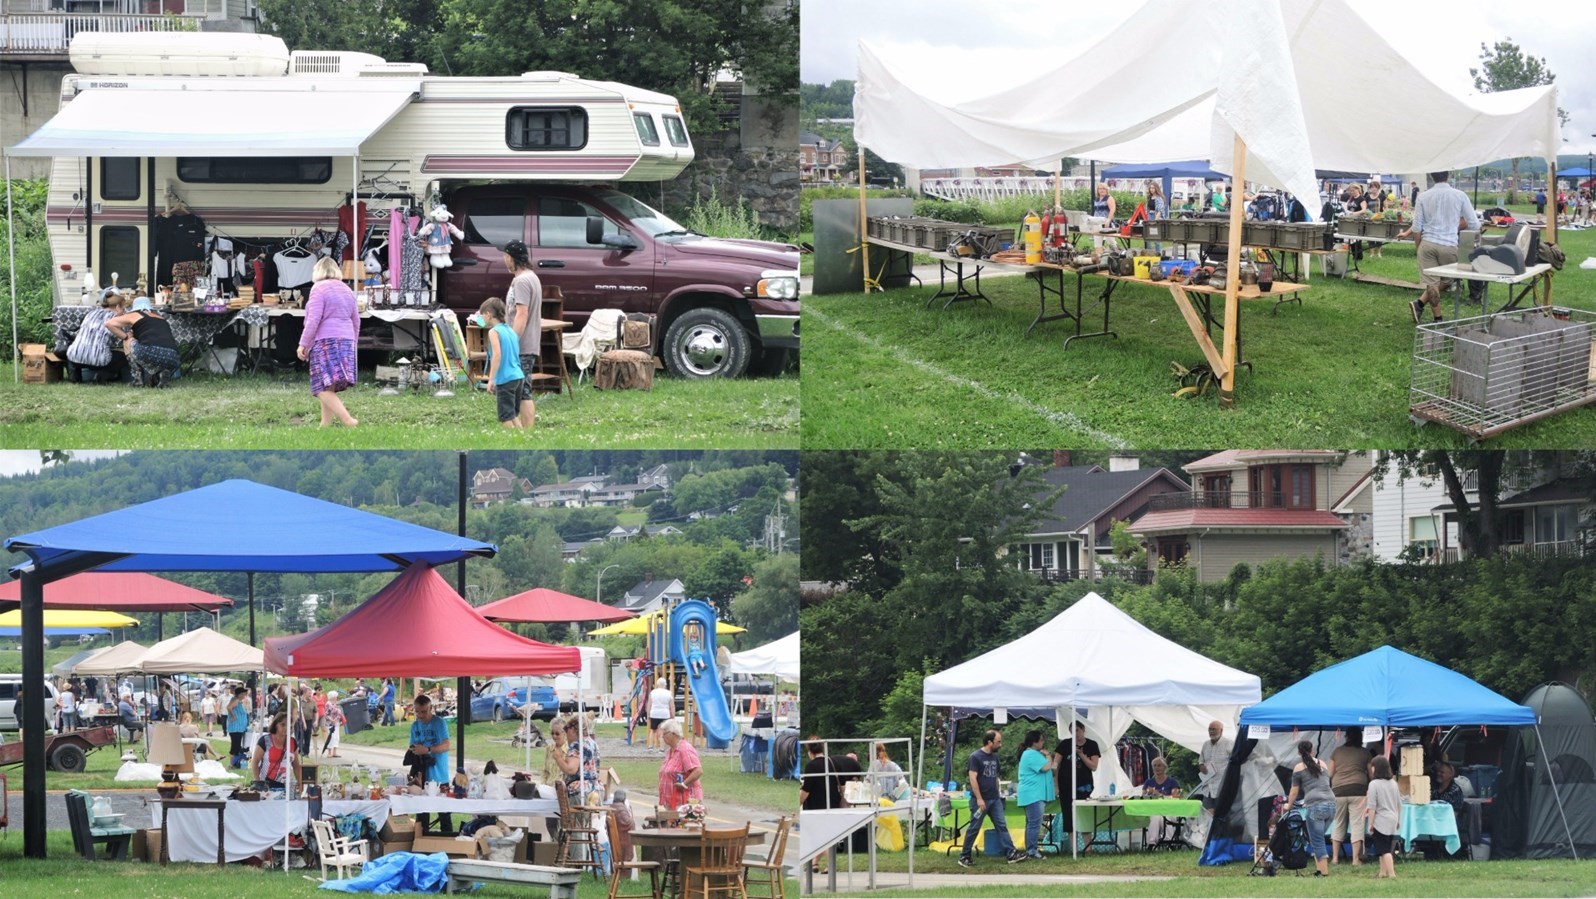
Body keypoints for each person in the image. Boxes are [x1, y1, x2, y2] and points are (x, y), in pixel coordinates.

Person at [1397, 170, 1481, 324]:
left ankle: (1424, 307)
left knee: (1433, 283)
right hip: (1449, 244)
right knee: (1447, 281)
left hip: (1427, 243)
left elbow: (1416, 228)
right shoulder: (1460, 195)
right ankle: (1435, 317)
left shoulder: (1423, 196)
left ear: (1431, 177)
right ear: (1448, 176)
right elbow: (1475, 224)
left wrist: (1418, 246)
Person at [296, 256, 359, 427]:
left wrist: (303, 343)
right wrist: (353, 342)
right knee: (328, 386)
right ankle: (325, 425)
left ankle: (349, 420)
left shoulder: (318, 289)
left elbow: (313, 320)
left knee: (319, 387)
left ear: (318, 271)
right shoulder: (347, 289)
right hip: (346, 340)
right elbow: (356, 320)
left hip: (326, 341)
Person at [958, 729, 1025, 867]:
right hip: (981, 800)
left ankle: (1011, 853)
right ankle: (964, 855)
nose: (1000, 744)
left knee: (1001, 825)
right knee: (974, 827)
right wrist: (979, 798)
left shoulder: (994, 757)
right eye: (998, 742)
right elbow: (973, 778)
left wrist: (998, 792)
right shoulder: (976, 757)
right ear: (989, 742)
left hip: (994, 799)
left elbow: (995, 776)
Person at [477, 297, 535, 430]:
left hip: (505, 378)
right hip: (518, 377)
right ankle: (523, 439)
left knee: (505, 417)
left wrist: (491, 379)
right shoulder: (510, 331)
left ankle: (512, 442)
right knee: (513, 414)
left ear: (488, 314)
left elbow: (497, 355)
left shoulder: (494, 331)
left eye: (482, 316)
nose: (482, 319)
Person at [1284, 740, 1335, 877]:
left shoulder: (1298, 768)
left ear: (1299, 752)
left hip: (1316, 806)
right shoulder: (1322, 764)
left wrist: (1288, 806)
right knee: (1317, 838)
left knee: (1317, 840)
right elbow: (1324, 784)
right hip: (1331, 804)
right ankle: (1319, 869)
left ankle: (1323, 873)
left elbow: (1294, 791)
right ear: (1312, 750)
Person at [106, 297, 179, 388]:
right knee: (154, 350)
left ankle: (138, 380)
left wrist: (125, 336)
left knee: (128, 339)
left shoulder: (135, 315)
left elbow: (109, 323)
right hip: (173, 357)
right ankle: (161, 373)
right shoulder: (161, 318)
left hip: (150, 352)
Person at [501, 238, 544, 381]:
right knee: (523, 390)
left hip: (522, 346)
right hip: (525, 345)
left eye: (505, 255)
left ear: (511, 258)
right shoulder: (531, 276)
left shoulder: (522, 281)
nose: (504, 259)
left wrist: (511, 342)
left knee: (521, 391)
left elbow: (522, 314)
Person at [1053, 721, 1100, 852]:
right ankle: (1074, 848)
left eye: (1078, 731)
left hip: (1084, 786)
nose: (1076, 734)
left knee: (1084, 815)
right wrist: (1055, 784)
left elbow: (1094, 766)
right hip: (1065, 786)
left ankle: (1088, 847)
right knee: (1068, 816)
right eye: (1073, 732)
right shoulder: (1064, 744)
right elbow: (1055, 765)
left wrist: (1080, 754)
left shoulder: (1092, 745)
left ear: (1083, 730)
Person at [1328, 728, 1372, 865]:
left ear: (1346, 736)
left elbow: (1329, 773)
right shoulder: (1365, 753)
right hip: (1358, 790)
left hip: (1338, 790)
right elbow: (1371, 774)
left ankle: (1335, 858)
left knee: (1339, 823)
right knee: (1357, 824)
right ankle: (1355, 859)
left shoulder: (1336, 752)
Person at [67, 289, 129, 383]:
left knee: (75, 350)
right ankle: (102, 376)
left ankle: (75, 378)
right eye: (123, 308)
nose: (124, 311)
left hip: (75, 356)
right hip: (98, 359)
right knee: (124, 357)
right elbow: (123, 338)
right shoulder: (116, 319)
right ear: (117, 307)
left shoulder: (90, 313)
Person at [1016, 729, 1056, 861]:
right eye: (1042, 739)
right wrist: (1049, 755)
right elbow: (1046, 767)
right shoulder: (1030, 754)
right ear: (1035, 742)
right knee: (1034, 823)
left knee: (1032, 823)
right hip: (1033, 794)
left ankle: (1031, 849)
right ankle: (1032, 851)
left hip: (1036, 794)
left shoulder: (1034, 753)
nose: (1043, 742)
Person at [1363, 755, 1401, 879]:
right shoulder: (1394, 783)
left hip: (1381, 819)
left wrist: (1370, 823)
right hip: (1392, 818)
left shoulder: (1374, 784)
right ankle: (1382, 872)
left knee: (1384, 850)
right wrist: (1398, 819)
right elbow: (1398, 803)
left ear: (1376, 768)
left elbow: (1372, 806)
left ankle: (1391, 874)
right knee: (1383, 848)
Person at [657, 718, 704, 808]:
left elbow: (698, 770)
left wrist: (684, 784)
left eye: (664, 734)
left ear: (673, 734)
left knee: (682, 822)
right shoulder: (671, 751)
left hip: (685, 802)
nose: (662, 737)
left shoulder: (685, 749)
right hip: (672, 802)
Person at [406, 693, 451, 786]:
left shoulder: (439, 723)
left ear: (431, 709)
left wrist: (428, 750)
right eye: (417, 712)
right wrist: (413, 750)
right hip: (421, 778)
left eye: (424, 712)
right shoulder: (415, 726)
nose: (420, 715)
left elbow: (447, 745)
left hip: (439, 778)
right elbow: (412, 746)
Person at [250, 711, 302, 789]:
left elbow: (296, 766)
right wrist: (258, 781)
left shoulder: (292, 742)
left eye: (288, 725)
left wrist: (300, 782)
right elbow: (255, 762)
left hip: (286, 786)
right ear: (276, 725)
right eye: (282, 725)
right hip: (266, 784)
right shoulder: (265, 740)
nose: (286, 728)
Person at [556, 717, 602, 804]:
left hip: (580, 791)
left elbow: (571, 769)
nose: (566, 734)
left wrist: (558, 758)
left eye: (566, 729)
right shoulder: (593, 743)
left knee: (578, 817)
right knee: (593, 817)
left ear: (573, 729)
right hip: (596, 789)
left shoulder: (577, 745)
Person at [1196, 721, 1232, 803]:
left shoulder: (1229, 743)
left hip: (1222, 788)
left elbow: (1235, 763)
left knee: (1221, 814)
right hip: (1208, 788)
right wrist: (1201, 766)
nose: (1211, 731)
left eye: (1214, 729)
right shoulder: (1206, 744)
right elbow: (1201, 761)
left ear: (1221, 730)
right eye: (1210, 729)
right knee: (1206, 814)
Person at [609, 788, 636, 864]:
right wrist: (632, 820)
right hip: (622, 839)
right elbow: (627, 822)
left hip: (616, 837)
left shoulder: (612, 806)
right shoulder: (621, 809)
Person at [647, 676, 674, 751]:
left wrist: (648, 714)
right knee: (663, 731)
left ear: (657, 684)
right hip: (664, 714)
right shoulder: (669, 693)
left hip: (654, 713)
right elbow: (672, 706)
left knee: (652, 730)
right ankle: (662, 748)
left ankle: (650, 747)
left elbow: (649, 704)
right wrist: (673, 715)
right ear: (665, 685)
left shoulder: (653, 692)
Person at [225, 685, 249, 768]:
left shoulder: (239, 701)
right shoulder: (236, 700)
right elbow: (229, 707)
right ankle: (231, 764)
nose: (245, 695)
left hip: (239, 728)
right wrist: (233, 716)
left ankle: (235, 762)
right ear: (239, 694)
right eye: (243, 694)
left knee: (237, 746)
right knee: (235, 746)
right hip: (236, 728)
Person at [322, 690, 344, 758]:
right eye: (336, 696)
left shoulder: (336, 704)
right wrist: (332, 720)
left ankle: (334, 752)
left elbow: (339, 713)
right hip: (330, 723)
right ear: (333, 697)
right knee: (330, 737)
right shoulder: (328, 704)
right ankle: (329, 752)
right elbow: (326, 714)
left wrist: (338, 720)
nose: (337, 697)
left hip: (336, 723)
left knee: (336, 737)